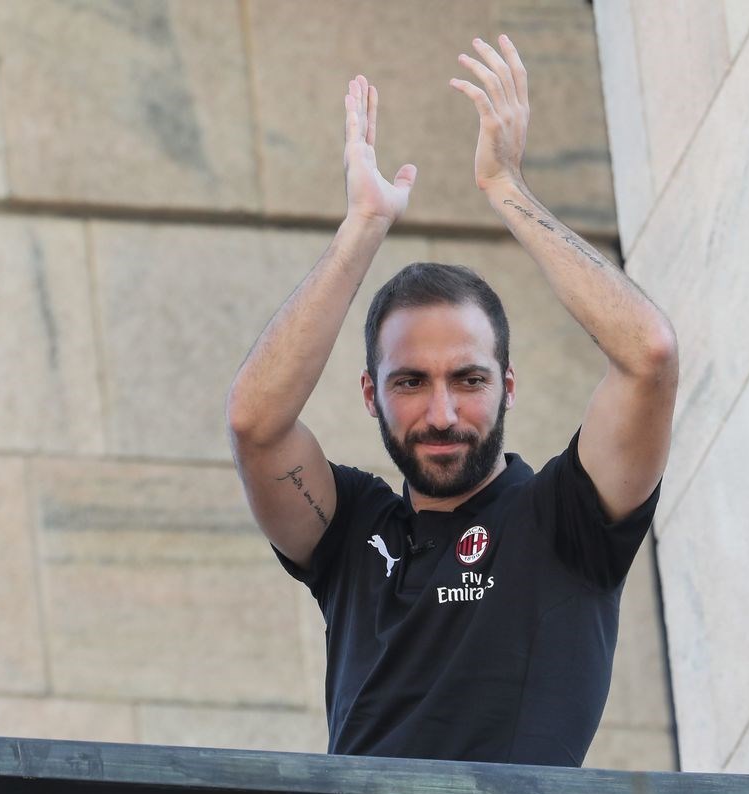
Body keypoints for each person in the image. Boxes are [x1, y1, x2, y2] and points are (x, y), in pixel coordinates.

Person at [226, 34, 677, 767]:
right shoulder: (351, 530)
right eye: (410, 382)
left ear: (509, 386)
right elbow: (254, 424)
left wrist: (507, 187)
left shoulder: (566, 519)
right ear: (371, 394)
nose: (442, 414)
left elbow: (649, 355)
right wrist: (361, 229)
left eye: (469, 380)